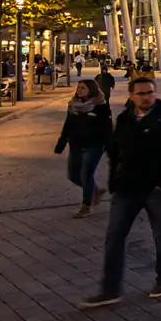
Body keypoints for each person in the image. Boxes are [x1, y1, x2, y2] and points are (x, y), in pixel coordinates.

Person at [81, 77, 161, 307]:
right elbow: (114, 151)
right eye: (141, 93)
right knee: (114, 237)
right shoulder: (125, 119)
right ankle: (110, 289)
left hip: (155, 190)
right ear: (131, 95)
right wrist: (115, 181)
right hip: (126, 187)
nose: (146, 97)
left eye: (150, 92)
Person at [54, 78, 112, 218]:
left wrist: (110, 148)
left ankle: (86, 205)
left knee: (86, 173)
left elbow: (107, 129)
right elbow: (68, 125)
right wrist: (61, 143)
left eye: (83, 88)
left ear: (91, 90)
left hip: (94, 146)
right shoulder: (73, 105)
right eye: (79, 87)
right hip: (76, 144)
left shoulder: (101, 106)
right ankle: (94, 190)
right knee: (73, 175)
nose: (79, 90)